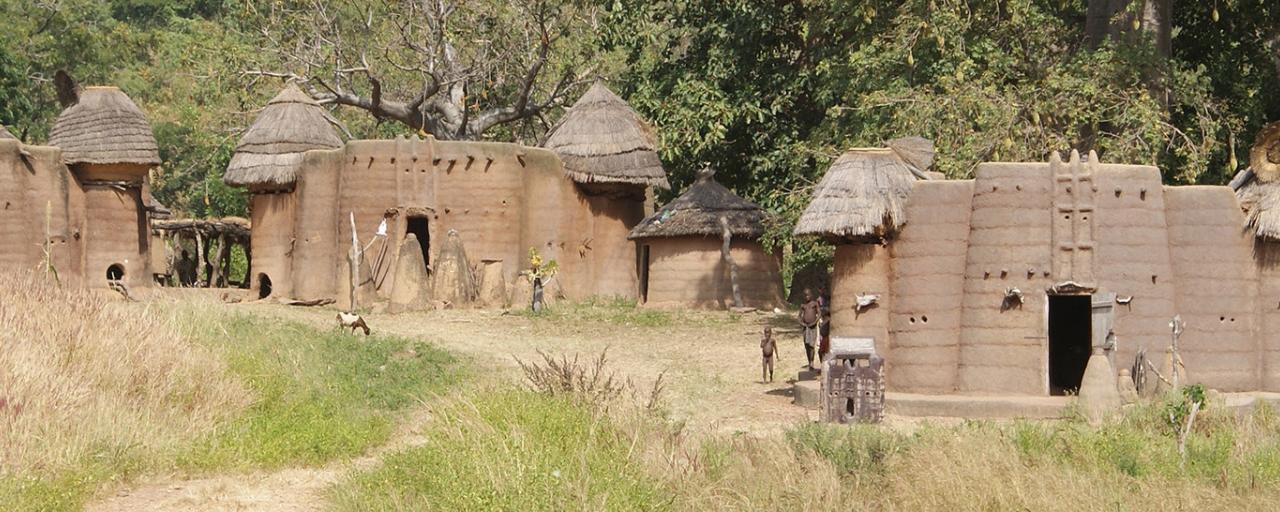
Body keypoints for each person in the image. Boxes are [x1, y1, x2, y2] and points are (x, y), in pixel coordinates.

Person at [798, 288, 820, 371]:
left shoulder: (814, 304)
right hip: (806, 328)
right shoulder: (803, 305)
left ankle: (812, 362)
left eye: (808, 295)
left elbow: (819, 314)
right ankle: (809, 361)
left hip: (812, 327)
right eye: (805, 295)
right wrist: (802, 323)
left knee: (811, 345)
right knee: (806, 345)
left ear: (811, 295)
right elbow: (799, 316)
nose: (807, 297)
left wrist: (815, 322)